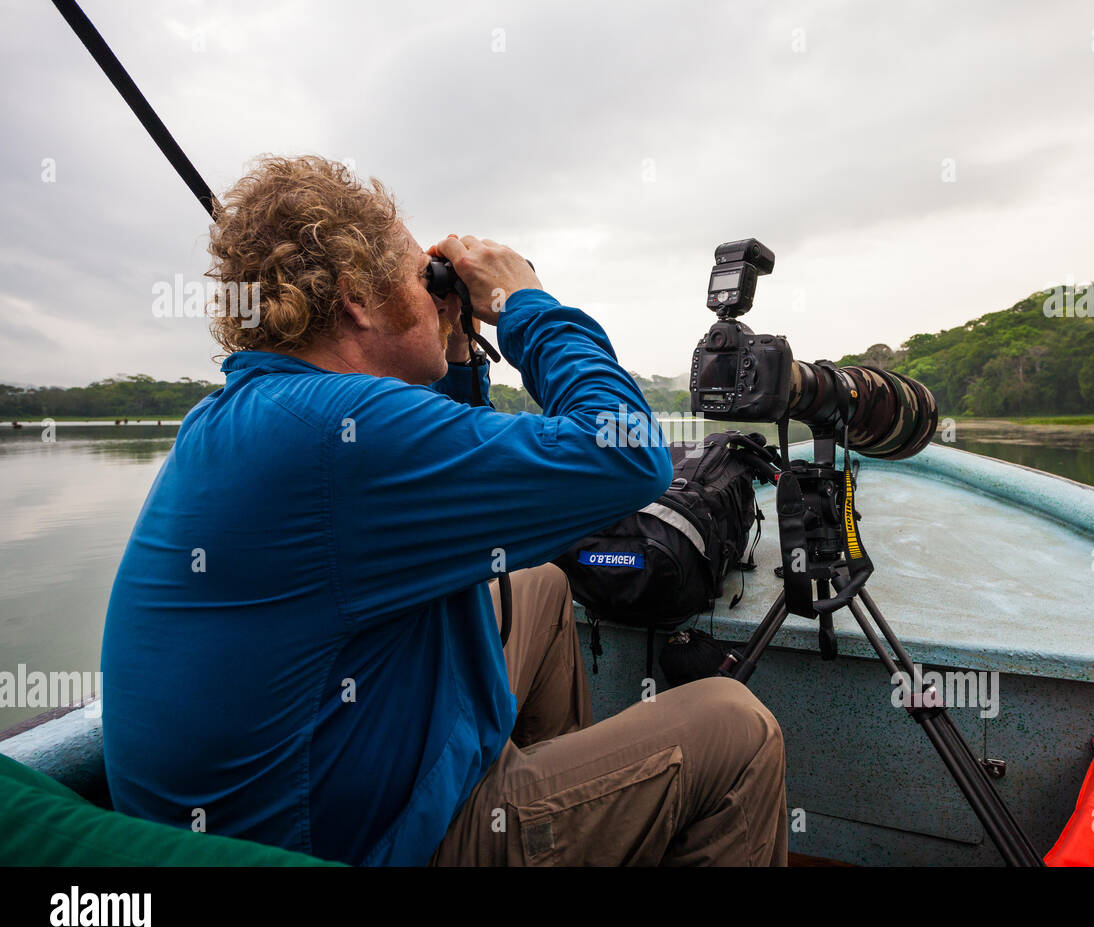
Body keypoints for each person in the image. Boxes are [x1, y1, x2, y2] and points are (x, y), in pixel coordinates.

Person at [100, 155, 787, 866]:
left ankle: (559, 809)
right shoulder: (338, 431)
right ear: (356, 299)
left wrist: (457, 348)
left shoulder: (260, 413)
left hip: (324, 791)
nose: (438, 296)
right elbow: (627, 454)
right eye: (422, 279)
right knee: (734, 729)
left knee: (540, 586)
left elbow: (449, 493)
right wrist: (525, 304)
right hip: (360, 847)